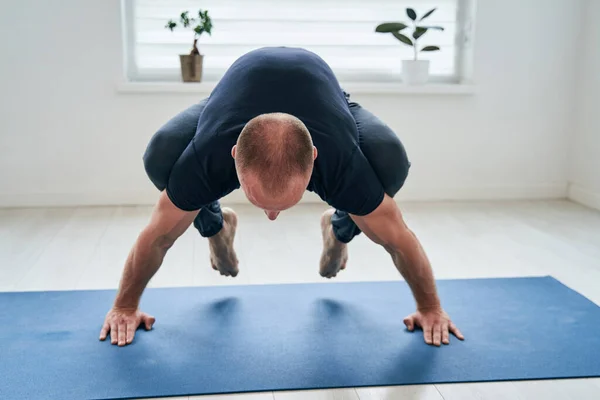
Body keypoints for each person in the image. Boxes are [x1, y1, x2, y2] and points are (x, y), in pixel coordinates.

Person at [99, 47, 464, 348]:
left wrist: (430, 307)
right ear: (233, 157)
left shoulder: (341, 160)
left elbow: (400, 241)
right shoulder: (207, 156)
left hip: (325, 96)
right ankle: (216, 226)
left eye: (283, 205)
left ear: (315, 159)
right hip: (232, 94)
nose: (272, 217)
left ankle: (339, 227)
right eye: (261, 204)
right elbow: (158, 236)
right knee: (161, 158)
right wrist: (125, 305)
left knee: (390, 161)